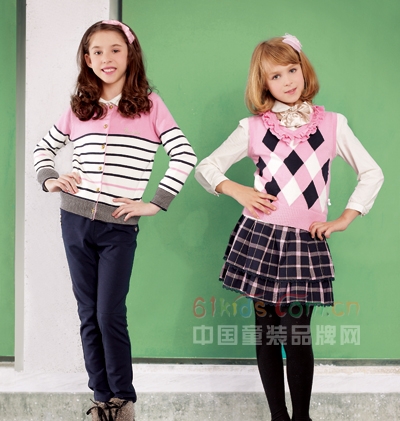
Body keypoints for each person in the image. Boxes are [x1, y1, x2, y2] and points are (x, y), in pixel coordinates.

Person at [195, 34, 383, 421]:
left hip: (304, 240)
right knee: (267, 330)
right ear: (263, 83)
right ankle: (278, 417)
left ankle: (301, 418)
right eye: (275, 76)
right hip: (260, 236)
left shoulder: (332, 124)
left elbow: (372, 172)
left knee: (296, 332)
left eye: (292, 70)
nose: (287, 81)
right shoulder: (253, 127)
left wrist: (345, 218)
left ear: (303, 69)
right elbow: (207, 167)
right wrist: (236, 190)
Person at [34, 20, 197, 421]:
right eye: (97, 51)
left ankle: (122, 399)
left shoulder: (150, 105)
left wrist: (154, 203)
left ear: (130, 54)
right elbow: (43, 149)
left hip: (118, 226)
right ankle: (100, 397)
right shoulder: (80, 107)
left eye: (115, 50)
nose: (106, 58)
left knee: (110, 313)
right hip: (74, 219)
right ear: (87, 59)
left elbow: (184, 155)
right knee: (88, 313)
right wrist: (52, 179)